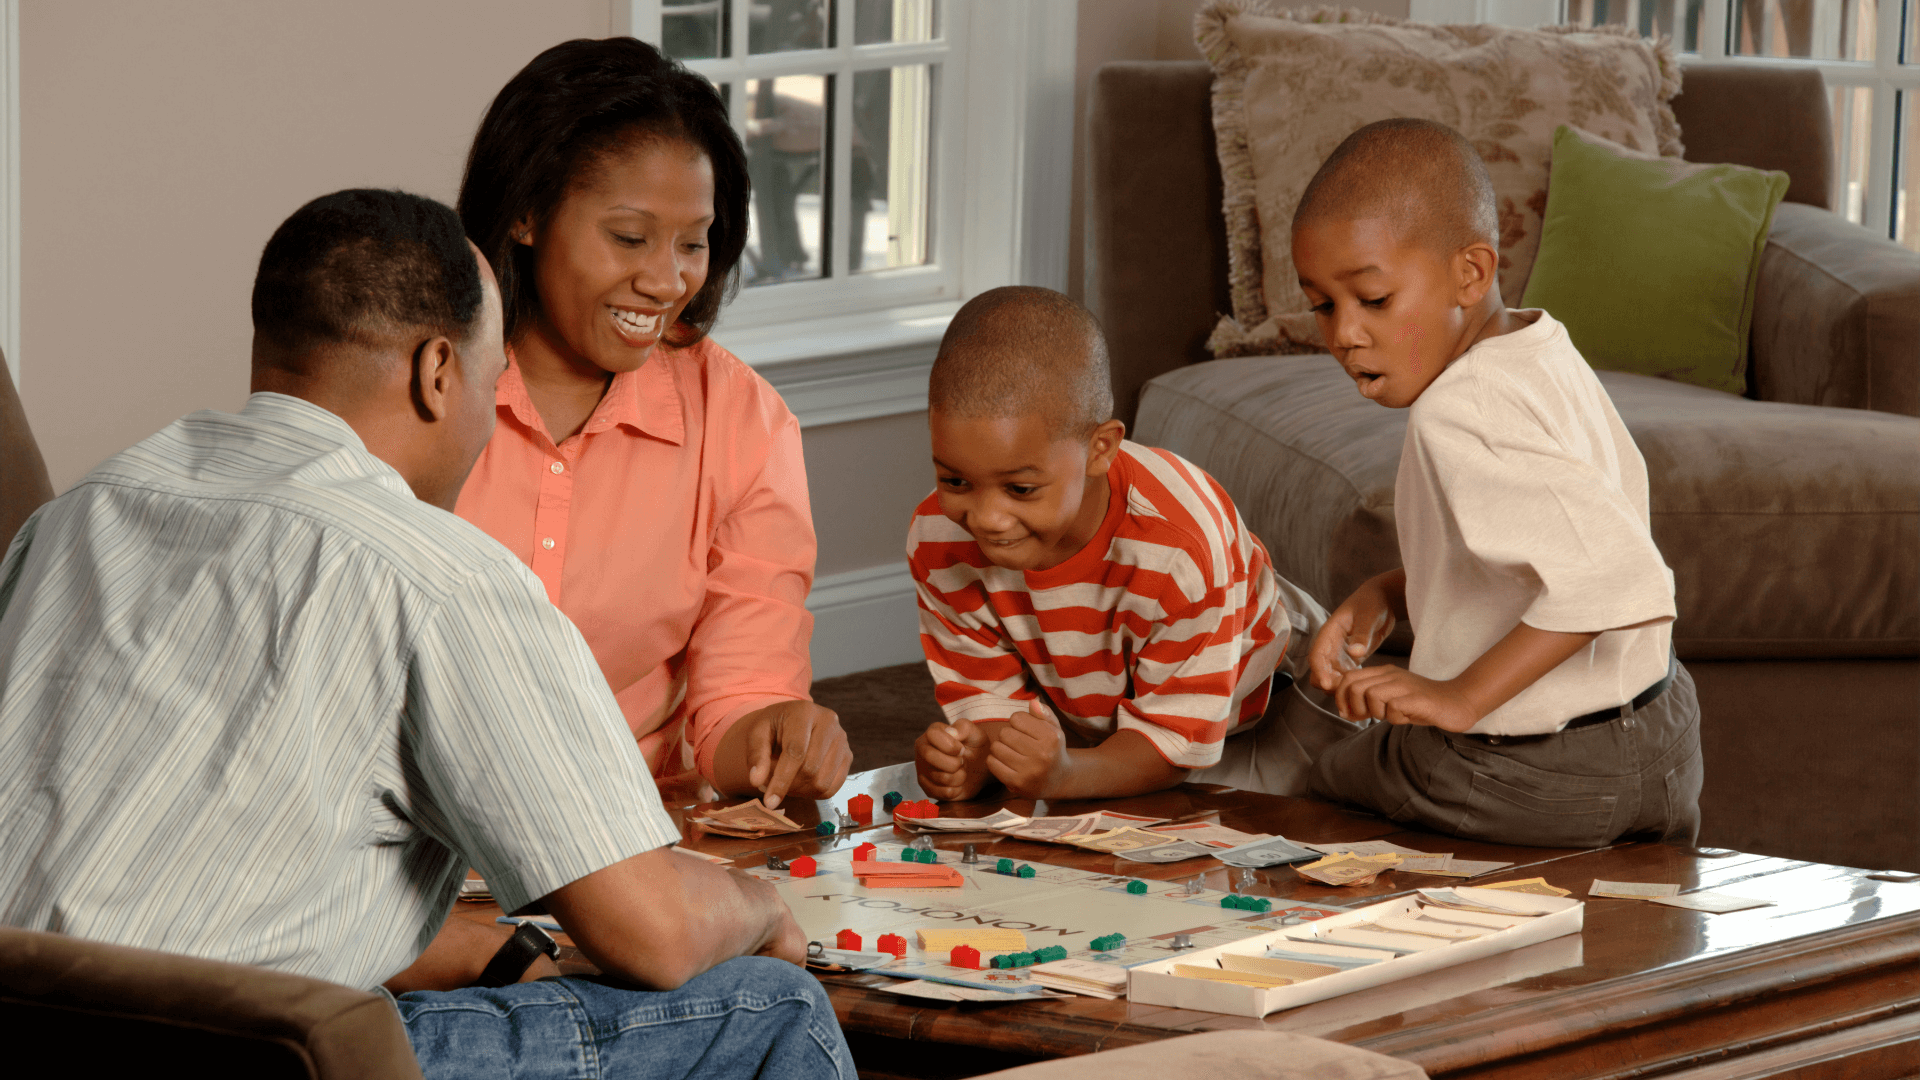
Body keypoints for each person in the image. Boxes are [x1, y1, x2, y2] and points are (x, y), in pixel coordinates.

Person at [0, 189, 853, 1079]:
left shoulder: (79, 520)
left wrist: (519, 951)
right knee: (771, 1007)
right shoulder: (441, 575)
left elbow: (231, 894)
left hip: (27, 1034)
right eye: (491, 387)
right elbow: (659, 937)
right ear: (438, 371)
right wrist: (757, 904)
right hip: (249, 1056)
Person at [456, 38, 850, 809]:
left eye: (693, 243)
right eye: (630, 238)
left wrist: (776, 739)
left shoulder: (741, 419)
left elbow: (740, 694)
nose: (666, 280)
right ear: (528, 212)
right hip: (429, 836)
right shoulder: (424, 384)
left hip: (633, 829)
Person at [1293, 119, 1703, 848]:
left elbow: (1618, 579)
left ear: (1470, 274)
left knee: (1324, 776)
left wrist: (1457, 698)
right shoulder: (1539, 346)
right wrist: (1390, 591)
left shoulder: (1458, 408)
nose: (1344, 334)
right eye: (1324, 305)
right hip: (1664, 737)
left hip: (1533, 770)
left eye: (1374, 300)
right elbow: (1561, 544)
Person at [908, 286, 1343, 802]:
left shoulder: (1179, 547)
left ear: (1100, 449)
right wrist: (981, 755)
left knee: (1272, 833)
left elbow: (1170, 744)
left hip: (1270, 701)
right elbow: (991, 708)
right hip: (1110, 714)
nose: (984, 518)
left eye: (1020, 489)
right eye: (955, 481)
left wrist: (1066, 776)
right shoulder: (939, 538)